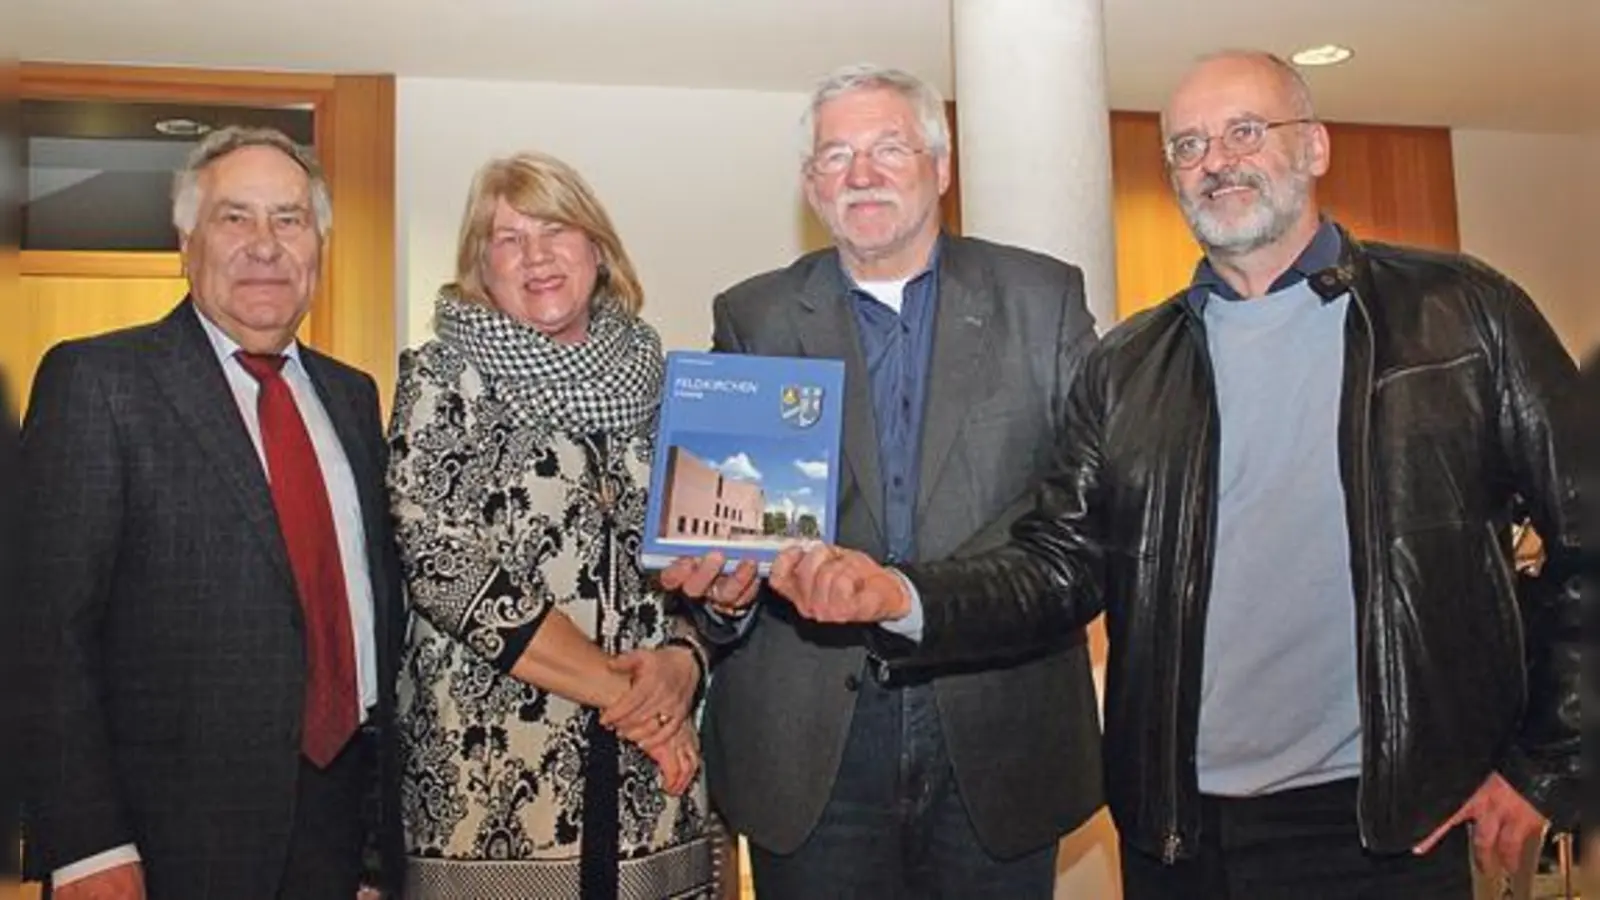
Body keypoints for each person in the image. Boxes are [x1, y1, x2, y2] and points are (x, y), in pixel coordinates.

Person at [759, 51, 1583, 900]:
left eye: (1245, 132)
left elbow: (1586, 536)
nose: (1216, 160)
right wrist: (897, 596)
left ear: (1316, 147)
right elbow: (1058, 567)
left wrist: (1546, 765)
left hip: (1391, 827)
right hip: (1183, 834)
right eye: (1187, 146)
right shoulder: (1130, 367)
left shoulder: (1461, 314)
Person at [661, 63, 1104, 899]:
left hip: (997, 727)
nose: (860, 174)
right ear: (810, 185)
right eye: (835, 156)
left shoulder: (1042, 301)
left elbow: (1083, 521)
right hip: (814, 747)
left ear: (941, 167)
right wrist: (721, 591)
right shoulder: (751, 317)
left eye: (888, 148)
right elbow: (739, 529)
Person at [19, 127, 404, 898]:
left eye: (289, 220)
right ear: (186, 243)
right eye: (235, 217)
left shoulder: (354, 396)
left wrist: (370, 850)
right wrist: (89, 846)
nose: (265, 245)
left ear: (318, 247)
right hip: (167, 846)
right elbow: (42, 632)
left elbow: (369, 616)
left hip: (338, 830)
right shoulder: (97, 381)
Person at [386, 151, 716, 899]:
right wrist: (632, 700)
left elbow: (705, 564)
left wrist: (684, 662)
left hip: (651, 785)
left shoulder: (668, 384)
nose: (534, 256)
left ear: (597, 250)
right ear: (482, 266)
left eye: (556, 229)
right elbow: (444, 564)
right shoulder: (444, 377)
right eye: (507, 238)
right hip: (493, 775)